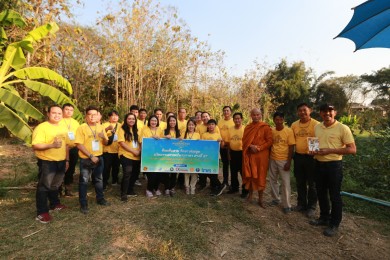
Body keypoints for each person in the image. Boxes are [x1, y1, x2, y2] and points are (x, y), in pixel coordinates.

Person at [309, 104, 356, 237]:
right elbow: (314, 143)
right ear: (320, 113)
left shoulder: (343, 128)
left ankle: (334, 224)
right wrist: (312, 151)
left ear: (335, 112)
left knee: (334, 195)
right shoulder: (317, 127)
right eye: (324, 111)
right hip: (318, 164)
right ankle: (324, 217)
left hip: (334, 166)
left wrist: (330, 150)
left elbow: (352, 149)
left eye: (330, 111)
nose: (327, 114)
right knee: (321, 192)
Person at [32, 105, 69, 223]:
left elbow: (66, 145)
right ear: (48, 114)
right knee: (44, 186)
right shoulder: (42, 127)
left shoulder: (63, 127)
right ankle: (42, 212)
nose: (57, 115)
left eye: (59, 113)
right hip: (47, 161)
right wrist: (51, 145)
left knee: (55, 185)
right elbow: (35, 145)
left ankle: (54, 204)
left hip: (61, 161)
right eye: (54, 113)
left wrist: (66, 160)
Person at [75, 106, 110, 214]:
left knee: (99, 180)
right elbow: (79, 144)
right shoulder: (81, 128)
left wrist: (103, 137)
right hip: (86, 159)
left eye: (94, 114)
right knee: (84, 182)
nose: (92, 116)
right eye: (90, 114)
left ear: (97, 116)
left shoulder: (100, 127)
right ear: (86, 116)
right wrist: (91, 156)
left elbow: (106, 143)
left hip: (99, 157)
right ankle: (83, 204)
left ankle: (100, 199)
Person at [291, 103, 320, 218]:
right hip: (298, 156)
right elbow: (292, 141)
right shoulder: (294, 125)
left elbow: (316, 139)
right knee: (300, 181)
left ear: (310, 110)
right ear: (297, 112)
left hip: (311, 158)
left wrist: (312, 151)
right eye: (300, 111)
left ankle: (311, 207)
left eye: (304, 110)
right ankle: (301, 204)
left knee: (312, 183)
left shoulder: (316, 124)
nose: (302, 113)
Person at [242, 108, 273, 208]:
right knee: (250, 175)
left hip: (261, 156)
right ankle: (250, 196)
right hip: (250, 154)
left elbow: (269, 141)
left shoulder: (265, 127)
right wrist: (251, 146)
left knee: (261, 176)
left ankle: (260, 199)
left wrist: (259, 148)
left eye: (258, 114)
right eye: (254, 115)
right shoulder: (248, 127)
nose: (256, 116)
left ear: (261, 115)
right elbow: (245, 141)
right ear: (251, 116)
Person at [268, 112, 295, 214]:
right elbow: (270, 144)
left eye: (280, 119)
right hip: (272, 159)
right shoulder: (272, 131)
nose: (278, 121)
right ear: (274, 120)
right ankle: (275, 198)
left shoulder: (288, 131)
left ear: (283, 120)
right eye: (276, 119)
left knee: (285, 183)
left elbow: (291, 147)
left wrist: (289, 162)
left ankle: (287, 205)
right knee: (273, 180)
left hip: (284, 160)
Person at [117, 113, 141, 201]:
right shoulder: (122, 129)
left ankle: (130, 189)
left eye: (133, 119)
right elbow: (121, 143)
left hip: (136, 155)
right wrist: (133, 151)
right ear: (126, 120)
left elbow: (142, 141)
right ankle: (123, 193)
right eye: (129, 119)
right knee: (127, 173)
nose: (131, 120)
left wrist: (139, 150)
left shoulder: (137, 130)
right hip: (126, 154)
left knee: (135, 174)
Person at [139, 115, 164, 198]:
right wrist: (151, 138)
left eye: (155, 121)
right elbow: (141, 141)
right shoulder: (144, 129)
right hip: (148, 155)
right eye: (152, 120)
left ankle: (156, 188)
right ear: (149, 121)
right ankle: (149, 189)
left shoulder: (160, 130)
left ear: (157, 122)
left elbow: (163, 142)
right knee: (151, 174)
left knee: (159, 173)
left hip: (159, 155)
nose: (154, 122)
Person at [59, 103, 80, 197]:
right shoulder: (58, 121)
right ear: (63, 110)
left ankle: (68, 189)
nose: (69, 111)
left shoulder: (75, 122)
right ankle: (58, 189)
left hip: (73, 149)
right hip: (61, 149)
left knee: (71, 169)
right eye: (67, 109)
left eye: (71, 110)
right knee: (60, 168)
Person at [201, 119, 226, 196]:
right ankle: (219, 186)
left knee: (214, 173)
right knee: (207, 172)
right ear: (207, 126)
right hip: (206, 157)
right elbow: (201, 146)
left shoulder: (218, 135)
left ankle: (218, 187)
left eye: (212, 124)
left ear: (215, 126)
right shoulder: (204, 135)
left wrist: (221, 141)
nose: (211, 126)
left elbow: (222, 146)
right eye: (209, 124)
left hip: (215, 157)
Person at [226, 112, 246, 196]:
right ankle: (234, 188)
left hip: (242, 153)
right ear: (233, 120)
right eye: (235, 118)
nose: (237, 120)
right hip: (233, 153)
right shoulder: (230, 129)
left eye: (239, 118)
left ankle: (245, 190)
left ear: (241, 119)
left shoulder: (245, 129)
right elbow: (228, 143)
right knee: (233, 172)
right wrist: (229, 154)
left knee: (243, 173)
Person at [163, 115, 181, 196]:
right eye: (170, 121)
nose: (172, 122)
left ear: (176, 122)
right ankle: (166, 188)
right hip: (166, 155)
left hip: (176, 155)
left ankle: (172, 188)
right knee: (166, 172)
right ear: (168, 122)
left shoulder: (179, 132)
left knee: (174, 172)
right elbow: (160, 141)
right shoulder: (164, 131)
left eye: (174, 120)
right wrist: (164, 137)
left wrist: (181, 139)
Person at [182, 119, 201, 195]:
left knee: (194, 173)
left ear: (195, 126)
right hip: (185, 157)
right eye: (189, 125)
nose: (190, 126)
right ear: (187, 126)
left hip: (195, 157)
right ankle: (187, 187)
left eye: (192, 125)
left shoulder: (197, 134)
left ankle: (193, 187)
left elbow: (199, 146)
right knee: (186, 172)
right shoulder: (183, 134)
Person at [102, 110, 120, 189]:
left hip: (118, 150)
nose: (114, 117)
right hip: (107, 151)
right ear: (109, 117)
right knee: (106, 168)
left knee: (116, 167)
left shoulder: (121, 125)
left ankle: (115, 181)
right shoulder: (105, 124)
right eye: (112, 115)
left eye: (116, 115)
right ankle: (104, 182)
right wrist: (107, 129)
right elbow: (100, 134)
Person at [218, 106, 235, 186]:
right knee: (225, 164)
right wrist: (221, 142)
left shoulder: (234, 121)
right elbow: (217, 133)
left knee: (232, 165)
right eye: (224, 111)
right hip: (222, 146)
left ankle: (234, 182)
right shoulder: (220, 122)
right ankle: (225, 181)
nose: (226, 112)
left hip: (231, 146)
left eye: (227, 111)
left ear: (230, 112)